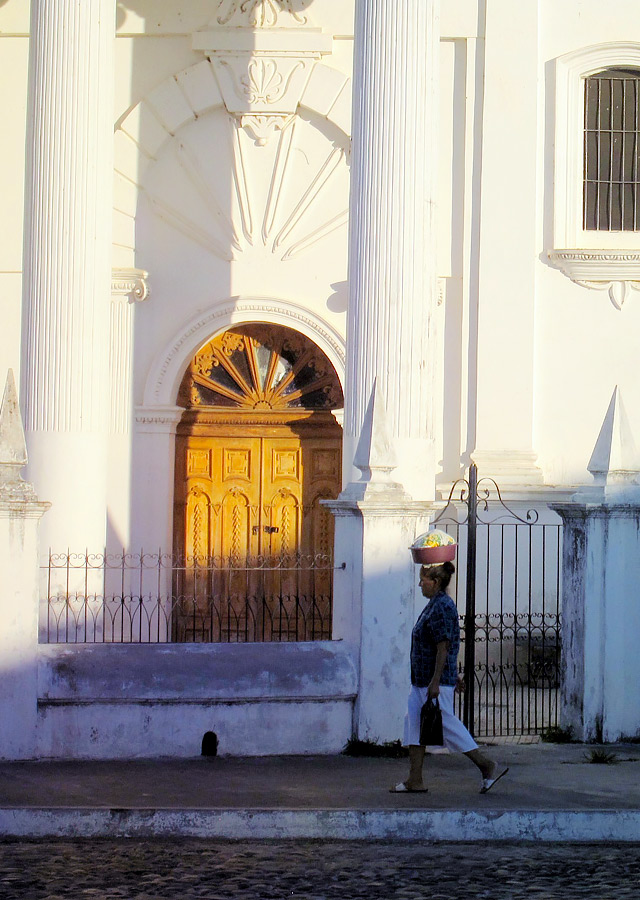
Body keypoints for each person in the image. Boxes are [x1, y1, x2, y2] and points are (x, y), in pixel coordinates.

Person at [391, 561, 508, 794]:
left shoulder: (442, 606)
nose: (419, 584)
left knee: (446, 724)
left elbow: (443, 645)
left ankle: (485, 765)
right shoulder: (434, 605)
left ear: (435, 582)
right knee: (413, 723)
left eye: (423, 580)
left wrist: (439, 680)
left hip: (432, 681)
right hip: (423, 680)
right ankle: (415, 779)